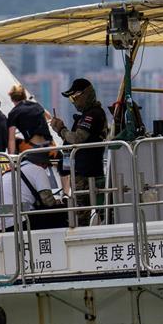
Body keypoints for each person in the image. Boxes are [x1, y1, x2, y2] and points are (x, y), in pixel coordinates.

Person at [49, 78, 108, 224]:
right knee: (86, 210)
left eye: (75, 97)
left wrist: (61, 129)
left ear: (86, 94)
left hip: (88, 172)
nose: (73, 102)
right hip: (83, 170)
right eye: (71, 99)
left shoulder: (93, 114)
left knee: (83, 213)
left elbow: (77, 139)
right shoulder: (88, 115)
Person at [0, 150, 64, 232]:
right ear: (41, 163)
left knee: (30, 208)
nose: (46, 168)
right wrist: (59, 203)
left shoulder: (13, 169)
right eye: (46, 165)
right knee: (60, 213)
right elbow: (48, 201)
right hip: (12, 224)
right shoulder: (38, 170)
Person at [7, 84, 53, 154]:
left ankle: (16, 162)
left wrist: (11, 157)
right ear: (24, 96)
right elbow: (49, 117)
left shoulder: (13, 113)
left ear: (12, 98)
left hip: (35, 147)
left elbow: (11, 139)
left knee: (15, 140)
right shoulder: (37, 105)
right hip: (49, 144)